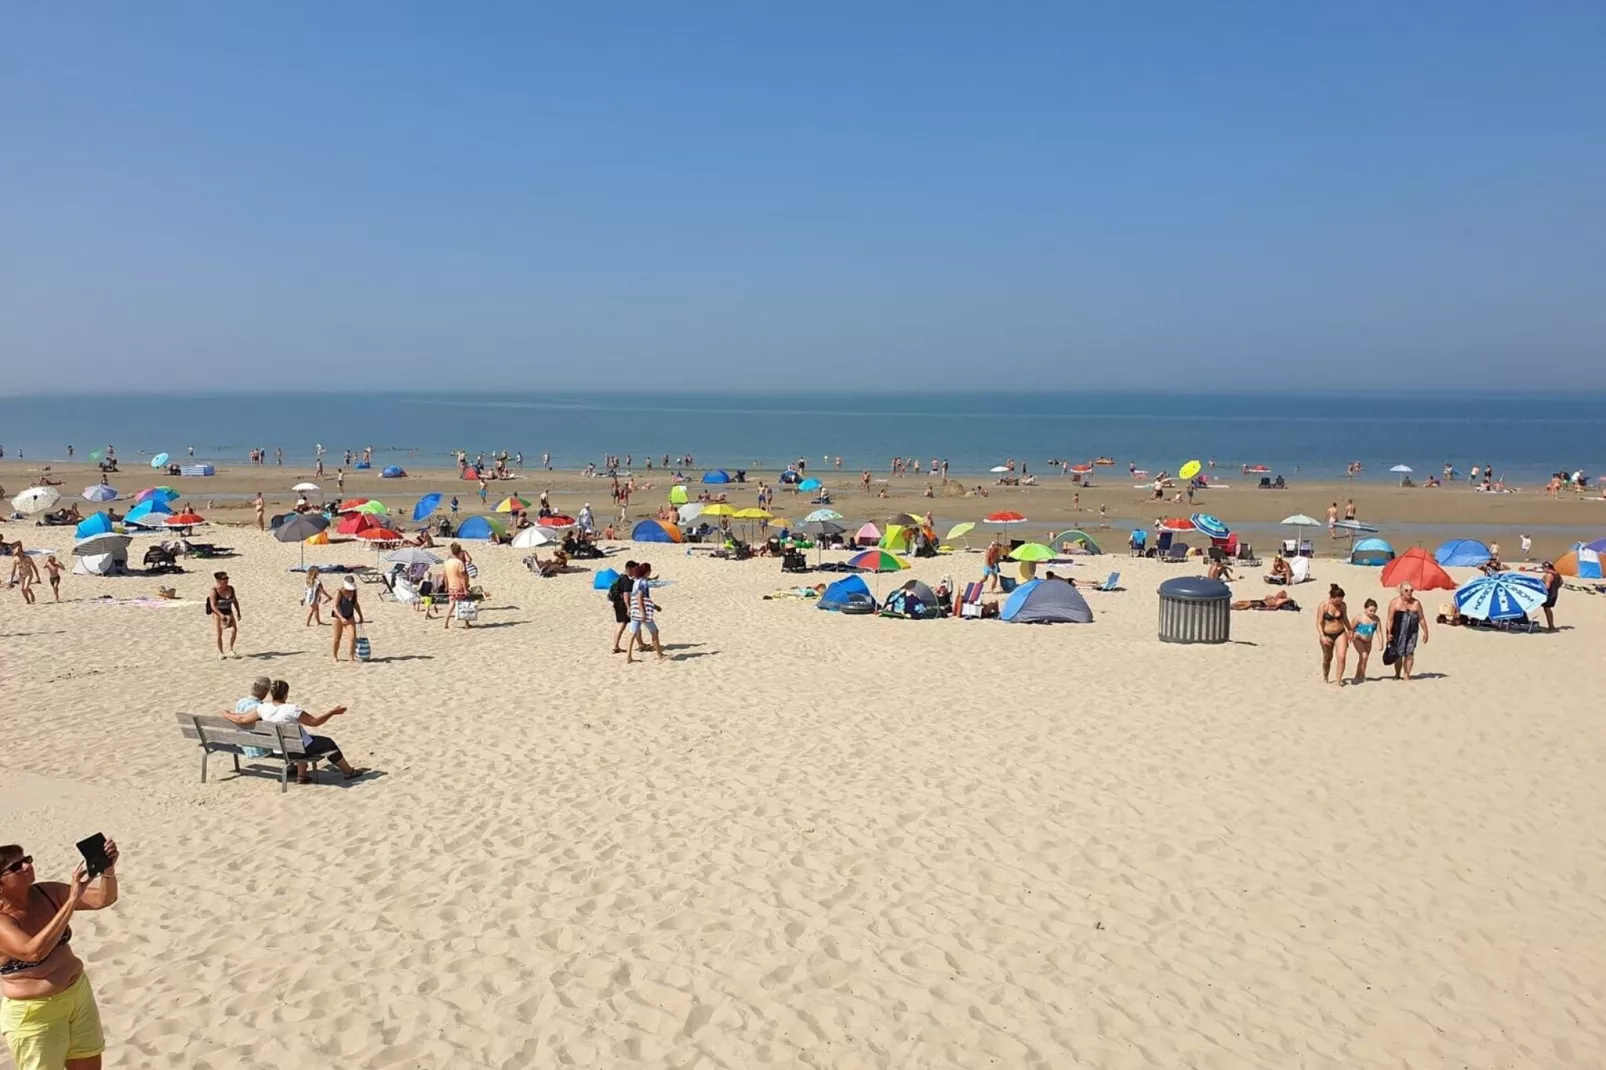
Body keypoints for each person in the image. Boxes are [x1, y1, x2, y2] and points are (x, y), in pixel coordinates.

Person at [0, 838, 121, 1070]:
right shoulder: (3, 921)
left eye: (27, 860)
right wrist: (72, 899)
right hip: (35, 1014)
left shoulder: (47, 892)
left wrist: (108, 872)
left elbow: (104, 899)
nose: (27, 866)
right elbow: (33, 951)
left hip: (78, 996)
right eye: (16, 867)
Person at [237, 679, 368, 783]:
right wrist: (332, 712)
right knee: (327, 743)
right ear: (286, 694)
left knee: (302, 739)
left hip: (279, 750)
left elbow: (242, 720)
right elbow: (315, 722)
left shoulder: (263, 708)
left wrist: (226, 714)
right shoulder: (291, 709)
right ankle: (348, 772)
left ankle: (302, 775)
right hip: (296, 750)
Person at [1383, 582, 1429, 681]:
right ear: (1401, 592)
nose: (1409, 592)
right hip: (1398, 630)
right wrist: (1388, 632)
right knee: (1398, 653)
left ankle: (1407, 674)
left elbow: (1421, 618)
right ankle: (1397, 674)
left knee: (1410, 653)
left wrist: (1426, 631)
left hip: (1412, 632)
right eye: (1406, 590)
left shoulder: (1416, 603)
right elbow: (1390, 619)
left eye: (1411, 590)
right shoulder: (1395, 602)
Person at [625, 563, 665, 663]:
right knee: (654, 631)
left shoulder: (636, 582)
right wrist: (643, 612)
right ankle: (660, 655)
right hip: (641, 611)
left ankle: (628, 657)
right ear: (647, 572)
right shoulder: (643, 582)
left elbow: (637, 597)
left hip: (634, 610)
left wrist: (655, 606)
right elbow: (640, 598)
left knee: (632, 634)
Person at [1316, 583, 1351, 686]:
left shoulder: (1343, 606)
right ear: (1331, 597)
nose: (1339, 602)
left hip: (1340, 633)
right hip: (1327, 634)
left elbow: (1345, 619)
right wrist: (1322, 636)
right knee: (1327, 658)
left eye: (1341, 600)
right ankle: (1326, 676)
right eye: (1337, 600)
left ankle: (1338, 682)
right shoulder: (1324, 606)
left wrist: (1350, 630)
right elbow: (1319, 622)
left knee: (1342, 657)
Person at [206, 571, 242, 659]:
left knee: (234, 630)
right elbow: (213, 606)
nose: (226, 580)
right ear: (218, 580)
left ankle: (231, 649)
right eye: (224, 579)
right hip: (218, 612)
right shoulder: (214, 591)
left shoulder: (231, 589)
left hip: (228, 611)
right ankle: (221, 652)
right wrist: (221, 615)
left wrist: (238, 612)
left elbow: (234, 601)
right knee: (219, 633)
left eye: (227, 578)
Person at [608, 560, 639, 653]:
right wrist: (628, 607)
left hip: (616, 603)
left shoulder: (621, 577)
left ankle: (640, 644)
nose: (635, 571)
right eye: (634, 569)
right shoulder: (627, 581)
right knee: (624, 624)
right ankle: (615, 646)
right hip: (622, 604)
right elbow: (626, 595)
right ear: (629, 569)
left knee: (631, 623)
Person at [330, 576, 364, 660]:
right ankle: (335, 656)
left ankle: (351, 657)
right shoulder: (339, 592)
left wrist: (360, 616)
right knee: (337, 638)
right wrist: (341, 618)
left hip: (349, 615)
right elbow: (335, 606)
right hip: (337, 617)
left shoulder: (354, 591)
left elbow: (355, 604)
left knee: (352, 637)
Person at [1349, 598, 1380, 683]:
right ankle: (1362, 675)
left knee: (1363, 659)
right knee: (1364, 655)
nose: (1372, 613)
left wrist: (1381, 642)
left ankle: (1358, 675)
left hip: (1368, 641)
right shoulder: (1359, 618)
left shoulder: (1376, 619)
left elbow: (1379, 631)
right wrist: (1351, 636)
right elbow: (1351, 628)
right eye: (1370, 611)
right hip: (1358, 639)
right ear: (1365, 608)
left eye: (1374, 611)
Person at [443, 543, 471, 629]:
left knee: (451, 604)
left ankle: (446, 622)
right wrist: (465, 588)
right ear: (459, 553)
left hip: (451, 586)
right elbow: (462, 577)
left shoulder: (447, 563)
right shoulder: (460, 563)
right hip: (459, 587)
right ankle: (466, 623)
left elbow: (445, 576)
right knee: (465, 603)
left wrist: (447, 586)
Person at [1541, 561, 1561, 631]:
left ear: (1547, 567)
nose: (1543, 569)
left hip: (1549, 594)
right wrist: (1555, 588)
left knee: (1547, 609)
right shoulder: (1557, 574)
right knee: (1548, 609)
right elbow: (1561, 583)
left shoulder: (1548, 575)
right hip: (1554, 594)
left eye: (1543, 568)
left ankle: (1551, 626)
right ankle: (1551, 625)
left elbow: (1547, 587)